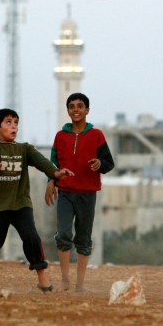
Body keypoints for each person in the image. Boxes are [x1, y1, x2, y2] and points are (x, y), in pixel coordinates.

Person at [0, 108, 74, 293]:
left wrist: (57, 173)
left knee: (32, 238)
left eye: (16, 122)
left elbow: (43, 163)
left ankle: (43, 281)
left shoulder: (24, 148)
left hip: (20, 205)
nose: (13, 126)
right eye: (8, 122)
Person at [45, 93, 115, 292]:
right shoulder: (61, 136)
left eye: (80, 106)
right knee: (64, 233)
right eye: (72, 106)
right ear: (67, 110)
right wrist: (51, 181)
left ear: (87, 110)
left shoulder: (97, 135)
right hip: (65, 192)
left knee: (83, 238)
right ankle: (65, 279)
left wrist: (100, 163)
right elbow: (52, 164)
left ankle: (80, 284)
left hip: (87, 193)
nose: (75, 109)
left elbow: (109, 163)